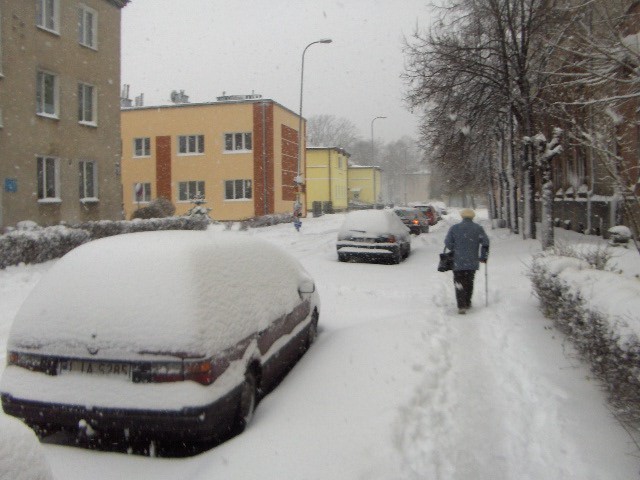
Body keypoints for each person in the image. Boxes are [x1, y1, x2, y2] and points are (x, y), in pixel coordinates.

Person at [444, 208, 490, 314]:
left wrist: (455, 247)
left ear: (462, 217)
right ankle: (468, 302)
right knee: (469, 282)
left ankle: (461, 305)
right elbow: (485, 243)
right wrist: (484, 257)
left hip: (458, 261)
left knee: (459, 282)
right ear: (472, 217)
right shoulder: (478, 228)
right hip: (472, 261)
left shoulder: (454, 228)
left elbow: (448, 243)